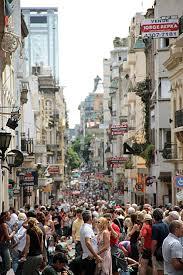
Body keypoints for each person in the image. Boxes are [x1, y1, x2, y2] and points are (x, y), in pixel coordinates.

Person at [80, 210, 102, 275]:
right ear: (90, 218)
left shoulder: (85, 227)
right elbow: (88, 243)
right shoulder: (87, 228)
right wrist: (96, 256)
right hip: (89, 258)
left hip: (89, 257)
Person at [151, 208, 169, 275]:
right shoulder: (166, 225)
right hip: (166, 249)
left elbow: (154, 242)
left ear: (154, 216)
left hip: (159, 252)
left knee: (160, 270)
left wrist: (152, 253)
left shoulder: (155, 227)